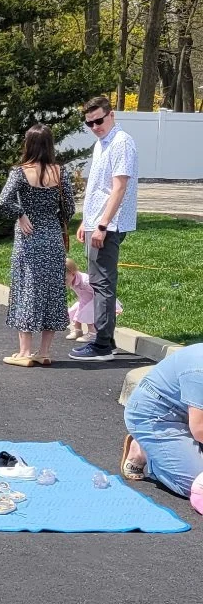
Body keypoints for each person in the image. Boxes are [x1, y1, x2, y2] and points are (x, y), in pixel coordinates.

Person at [0, 126, 75, 365]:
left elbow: (3, 201)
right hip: (52, 238)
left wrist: (21, 214)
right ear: (50, 144)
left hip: (28, 238)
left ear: (28, 144)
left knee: (27, 289)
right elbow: (69, 209)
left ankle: (24, 352)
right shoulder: (60, 173)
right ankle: (44, 352)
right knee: (52, 291)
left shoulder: (19, 173)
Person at [73, 94, 138, 359]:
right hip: (96, 221)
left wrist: (101, 225)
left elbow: (119, 188)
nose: (95, 126)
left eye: (99, 120)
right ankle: (102, 340)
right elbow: (98, 188)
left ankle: (102, 344)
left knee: (102, 283)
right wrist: (85, 221)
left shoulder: (121, 142)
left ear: (112, 115)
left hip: (108, 224)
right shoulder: (102, 143)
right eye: (89, 123)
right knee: (99, 281)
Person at [121, 343, 203, 500]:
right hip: (154, 416)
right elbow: (199, 429)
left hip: (187, 414)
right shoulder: (199, 369)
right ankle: (144, 451)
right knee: (195, 485)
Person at [66, 257, 95, 342]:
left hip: (94, 300)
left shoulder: (85, 281)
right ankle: (77, 330)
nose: (63, 282)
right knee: (75, 311)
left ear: (73, 274)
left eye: (65, 280)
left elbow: (98, 291)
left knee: (87, 313)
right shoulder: (71, 280)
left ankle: (92, 333)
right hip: (84, 300)